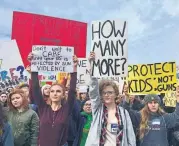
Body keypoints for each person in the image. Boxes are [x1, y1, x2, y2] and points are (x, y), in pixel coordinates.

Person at [85, 52, 136, 146]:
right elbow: (93, 90)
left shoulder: (124, 113)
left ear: (116, 94)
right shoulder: (98, 109)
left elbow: (131, 136)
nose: (107, 95)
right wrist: (92, 65)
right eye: (104, 93)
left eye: (110, 92)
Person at [28, 52, 78, 146]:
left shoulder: (66, 109)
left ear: (63, 95)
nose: (55, 93)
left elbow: (72, 90)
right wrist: (33, 64)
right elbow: (35, 88)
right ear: (49, 94)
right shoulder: (43, 108)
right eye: (52, 91)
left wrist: (74, 68)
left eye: (58, 91)